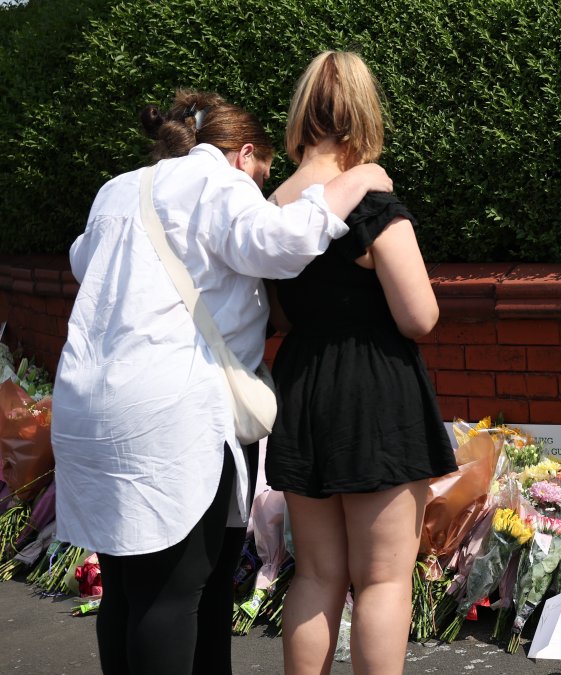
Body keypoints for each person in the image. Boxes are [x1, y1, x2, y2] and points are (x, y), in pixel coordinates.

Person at [51, 89, 393, 675]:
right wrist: (361, 177)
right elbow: (279, 245)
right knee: (175, 594)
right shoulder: (220, 183)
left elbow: (85, 262)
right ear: (244, 155)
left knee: (129, 588)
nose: (262, 189)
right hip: (169, 415)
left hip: (91, 408)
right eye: (263, 175)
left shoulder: (119, 189)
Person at [265, 51, 457, 674]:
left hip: (302, 385)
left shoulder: (274, 205)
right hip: (374, 390)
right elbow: (418, 316)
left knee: (317, 575)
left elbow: (284, 314)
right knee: (381, 580)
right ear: (363, 113)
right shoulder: (371, 202)